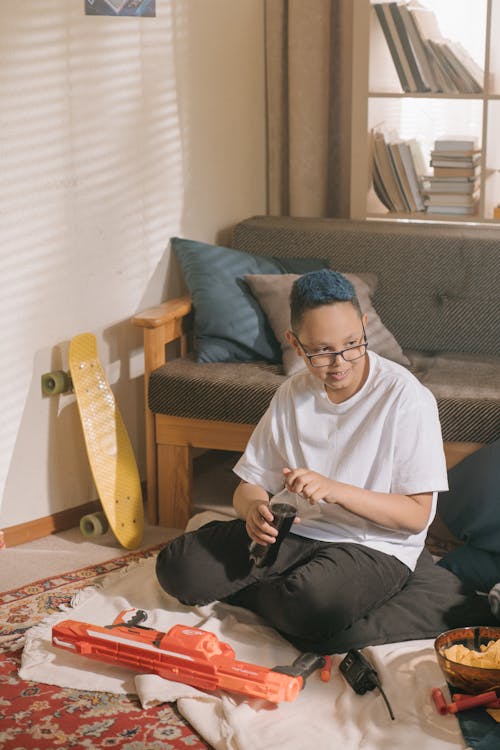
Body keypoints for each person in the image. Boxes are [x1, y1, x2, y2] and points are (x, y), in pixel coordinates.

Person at [156, 269, 449, 653]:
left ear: (365, 328)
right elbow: (250, 483)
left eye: (352, 344)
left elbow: (416, 516)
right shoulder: (291, 394)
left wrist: (335, 490)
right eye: (322, 350)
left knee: (309, 605)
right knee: (177, 566)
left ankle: (288, 596)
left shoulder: (407, 399)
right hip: (294, 531)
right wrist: (254, 510)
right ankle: (287, 595)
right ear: (295, 343)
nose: (340, 362)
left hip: (372, 545)